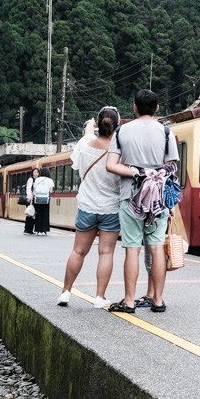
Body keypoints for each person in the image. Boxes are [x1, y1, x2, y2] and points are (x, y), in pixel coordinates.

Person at [106, 89, 179, 314]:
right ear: (157, 108)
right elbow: (172, 169)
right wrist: (157, 180)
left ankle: (129, 302)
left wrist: (136, 172)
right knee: (157, 248)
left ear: (134, 107)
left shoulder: (122, 131)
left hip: (130, 198)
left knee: (132, 249)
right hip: (158, 201)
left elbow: (111, 165)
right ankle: (158, 300)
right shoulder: (166, 132)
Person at [58, 106, 121, 309]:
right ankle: (99, 297)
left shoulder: (85, 146)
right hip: (111, 208)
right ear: (116, 127)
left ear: (99, 126)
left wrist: (89, 126)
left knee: (78, 251)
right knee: (106, 253)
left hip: (87, 206)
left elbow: (86, 136)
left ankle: (66, 292)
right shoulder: (119, 151)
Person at [32, 168, 55, 235]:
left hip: (37, 199)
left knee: (38, 214)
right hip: (46, 199)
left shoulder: (37, 179)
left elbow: (34, 188)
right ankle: (44, 230)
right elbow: (51, 190)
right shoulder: (50, 180)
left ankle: (38, 230)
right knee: (45, 214)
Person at [23, 169, 39, 235]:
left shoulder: (38, 180)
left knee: (33, 215)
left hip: (35, 199)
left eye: (37, 172)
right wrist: (29, 197)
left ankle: (31, 229)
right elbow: (28, 188)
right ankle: (27, 229)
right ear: (32, 173)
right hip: (30, 199)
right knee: (29, 214)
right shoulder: (31, 179)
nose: (36, 173)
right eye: (34, 172)